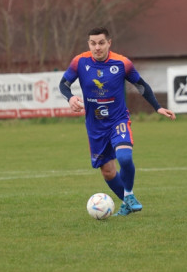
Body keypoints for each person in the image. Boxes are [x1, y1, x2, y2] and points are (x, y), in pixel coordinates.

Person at [59, 26, 175, 216]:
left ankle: (129, 195)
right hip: (95, 126)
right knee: (107, 172)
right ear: (89, 44)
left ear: (109, 43)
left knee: (124, 157)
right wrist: (70, 98)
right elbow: (63, 84)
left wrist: (158, 107)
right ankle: (127, 204)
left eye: (101, 43)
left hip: (118, 120)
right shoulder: (80, 61)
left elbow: (141, 85)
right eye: (93, 43)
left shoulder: (122, 63)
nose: (97, 47)